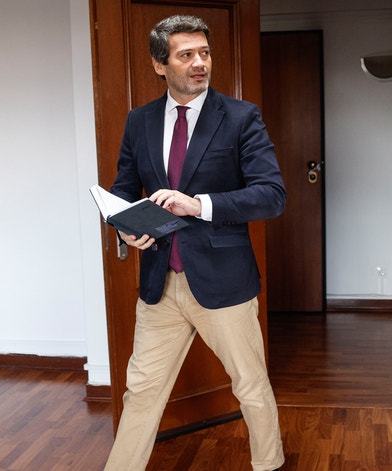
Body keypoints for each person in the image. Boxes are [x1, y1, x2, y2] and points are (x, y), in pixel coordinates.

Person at [104, 14, 286, 471]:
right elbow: (124, 188)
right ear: (159, 65)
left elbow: (271, 195)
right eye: (186, 55)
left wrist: (198, 204)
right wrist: (125, 227)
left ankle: (268, 464)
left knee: (250, 385)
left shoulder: (241, 117)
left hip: (224, 283)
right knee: (141, 391)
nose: (199, 62)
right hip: (160, 283)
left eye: (204, 53)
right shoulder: (139, 121)